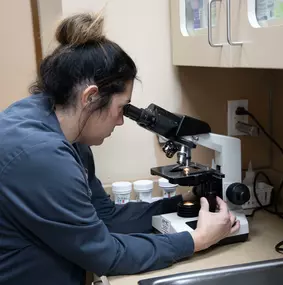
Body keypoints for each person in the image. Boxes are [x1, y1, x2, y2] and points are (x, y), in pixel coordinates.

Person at [0, 12, 240, 285]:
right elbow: (106, 256)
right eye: (120, 108)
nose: (121, 121)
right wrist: (197, 240)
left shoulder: (64, 131)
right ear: (90, 97)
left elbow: (106, 217)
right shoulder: (41, 155)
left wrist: (187, 202)